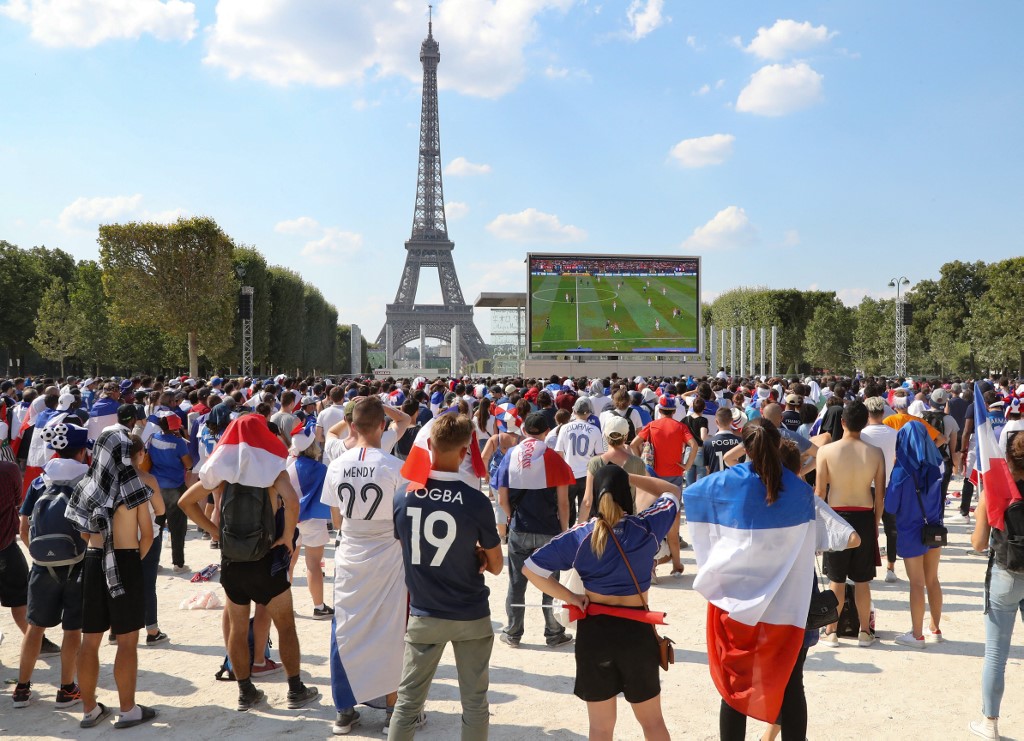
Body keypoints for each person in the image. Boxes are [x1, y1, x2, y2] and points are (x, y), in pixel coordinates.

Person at [684, 419, 859, 741]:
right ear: (779, 444)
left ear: (746, 446)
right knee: (792, 685)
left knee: (735, 687)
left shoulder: (724, 484)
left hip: (736, 608)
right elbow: (851, 538)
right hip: (788, 610)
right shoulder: (801, 493)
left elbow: (691, 496)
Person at [523, 466, 679, 741]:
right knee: (653, 722)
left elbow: (531, 568)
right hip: (636, 631)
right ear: (625, 493)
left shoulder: (581, 536)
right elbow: (673, 491)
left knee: (600, 728)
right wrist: (628, 475)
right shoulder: (647, 527)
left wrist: (571, 597)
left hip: (594, 633)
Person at [178, 414, 319, 712]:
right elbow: (292, 503)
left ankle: (245, 692)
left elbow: (185, 503)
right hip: (266, 558)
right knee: (286, 627)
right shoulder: (271, 469)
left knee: (237, 630)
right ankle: (295, 688)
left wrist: (214, 531)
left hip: (233, 561)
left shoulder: (222, 470)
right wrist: (286, 536)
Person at [389, 413, 503, 741]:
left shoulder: (403, 496)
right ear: (466, 451)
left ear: (428, 446)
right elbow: (496, 566)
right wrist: (478, 554)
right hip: (471, 613)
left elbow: (410, 544)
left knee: (408, 704)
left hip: (425, 613)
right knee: (475, 703)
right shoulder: (476, 502)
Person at [323, 397, 408, 735]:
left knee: (345, 628)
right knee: (391, 633)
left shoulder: (336, 464)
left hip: (351, 550)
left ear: (352, 426)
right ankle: (392, 709)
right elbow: (404, 516)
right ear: (383, 426)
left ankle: (344, 710)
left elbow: (336, 519)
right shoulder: (393, 466)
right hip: (387, 551)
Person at [65, 424, 157, 729]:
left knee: (90, 641)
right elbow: (147, 535)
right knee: (127, 641)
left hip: (93, 561)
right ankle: (128, 709)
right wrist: (129, 564)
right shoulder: (132, 482)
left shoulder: (86, 484)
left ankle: (90, 709)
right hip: (125, 561)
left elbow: (81, 530)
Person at [13, 422, 91, 709]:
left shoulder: (39, 480)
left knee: (35, 628)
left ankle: (21, 689)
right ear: (82, 451)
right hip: (78, 564)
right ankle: (67, 688)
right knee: (73, 630)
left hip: (42, 564)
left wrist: (38, 553)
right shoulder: (88, 479)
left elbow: (23, 525)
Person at [495, 412, 575, 648]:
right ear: (545, 432)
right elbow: (563, 503)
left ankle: (513, 632)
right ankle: (553, 632)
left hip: (520, 527)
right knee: (549, 583)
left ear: (524, 431)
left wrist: (511, 517)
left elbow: (501, 499)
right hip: (549, 529)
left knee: (517, 585)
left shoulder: (511, 455)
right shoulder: (552, 457)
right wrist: (564, 533)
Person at [968, 433, 1024, 740]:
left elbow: (978, 544)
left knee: (996, 654)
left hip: (1006, 572)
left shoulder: (996, 491)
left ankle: (990, 722)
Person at [815, 401, 885, 647]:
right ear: (865, 423)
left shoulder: (826, 452)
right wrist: (875, 524)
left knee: (836, 578)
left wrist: (818, 527)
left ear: (842, 422)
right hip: (865, 515)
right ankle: (865, 631)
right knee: (863, 580)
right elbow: (880, 495)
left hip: (836, 517)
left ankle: (831, 630)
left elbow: (820, 492)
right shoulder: (875, 452)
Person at [885, 421, 945, 648]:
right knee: (932, 580)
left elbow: (891, 507)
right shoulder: (937, 465)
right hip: (933, 528)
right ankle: (935, 628)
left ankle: (917, 635)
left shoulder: (901, 471)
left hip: (910, 530)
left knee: (916, 583)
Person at [631, 395, 696, 577]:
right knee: (673, 527)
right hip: (674, 478)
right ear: (674, 410)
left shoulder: (652, 426)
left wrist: (642, 464)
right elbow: (693, 445)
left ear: (659, 409)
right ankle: (676, 566)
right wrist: (687, 465)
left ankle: (650, 564)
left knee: (651, 522)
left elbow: (634, 444)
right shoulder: (680, 426)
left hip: (653, 477)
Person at [286, 424, 333, 619]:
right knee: (313, 564)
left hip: (291, 519)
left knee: (288, 564)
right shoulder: (322, 469)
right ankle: (319, 607)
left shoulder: (288, 465)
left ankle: (285, 606)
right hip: (314, 520)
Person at [579, 415, 649, 524]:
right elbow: (643, 496)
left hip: (600, 524)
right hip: (628, 523)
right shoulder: (637, 463)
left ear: (606, 436)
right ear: (625, 437)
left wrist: (579, 527)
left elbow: (587, 501)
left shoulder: (595, 463)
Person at [860, 396, 901, 583]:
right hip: (890, 485)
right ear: (883, 413)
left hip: (867, 486)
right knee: (891, 529)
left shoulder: (861, 434)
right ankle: (891, 567)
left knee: (868, 527)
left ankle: (867, 566)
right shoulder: (895, 433)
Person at [146, 410, 192, 573]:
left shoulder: (153, 438)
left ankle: (154, 563)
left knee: (156, 526)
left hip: (156, 488)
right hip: (175, 488)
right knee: (177, 527)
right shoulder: (179, 443)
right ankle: (178, 564)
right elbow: (188, 464)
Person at [555, 397, 606, 524]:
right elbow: (599, 455)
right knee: (587, 507)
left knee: (568, 507)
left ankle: (569, 532)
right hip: (587, 474)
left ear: (574, 410)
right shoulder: (594, 429)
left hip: (569, 473)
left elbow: (559, 453)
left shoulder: (564, 428)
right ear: (588, 412)